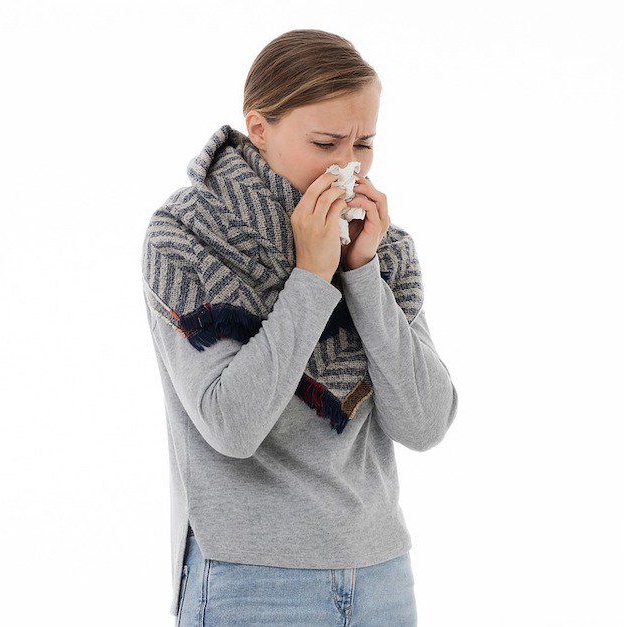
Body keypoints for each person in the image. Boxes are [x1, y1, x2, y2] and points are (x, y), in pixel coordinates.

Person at [141, 29, 459, 625]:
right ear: (258, 128)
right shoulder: (188, 237)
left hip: (381, 575)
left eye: (364, 143)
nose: (348, 165)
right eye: (325, 142)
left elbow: (424, 423)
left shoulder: (383, 249)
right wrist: (312, 280)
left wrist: (362, 274)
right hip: (248, 580)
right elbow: (232, 426)